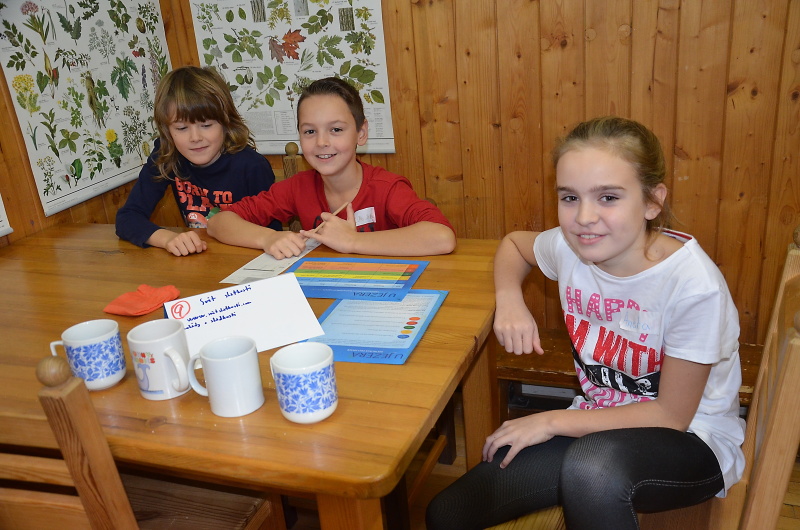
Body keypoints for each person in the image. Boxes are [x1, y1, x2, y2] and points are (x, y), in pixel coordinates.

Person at [426, 116, 745, 530]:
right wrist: (510, 300)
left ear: (652, 201)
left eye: (608, 197)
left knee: (590, 471)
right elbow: (514, 246)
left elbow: (671, 415)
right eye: (570, 197)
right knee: (447, 513)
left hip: (692, 440)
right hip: (597, 423)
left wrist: (549, 420)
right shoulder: (570, 246)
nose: (584, 217)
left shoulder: (693, 286)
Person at [206, 77, 456, 258]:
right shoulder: (298, 187)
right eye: (310, 131)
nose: (322, 142)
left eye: (336, 129)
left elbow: (442, 237)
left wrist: (353, 241)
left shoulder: (387, 188)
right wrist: (268, 237)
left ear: (361, 133)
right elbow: (218, 222)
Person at [115, 65, 281, 256]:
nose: (195, 138)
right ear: (167, 131)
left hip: (243, 258)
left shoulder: (252, 166)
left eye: (206, 125)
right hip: (197, 259)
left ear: (226, 122)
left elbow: (273, 235)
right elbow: (127, 218)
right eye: (181, 128)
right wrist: (167, 239)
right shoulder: (166, 156)